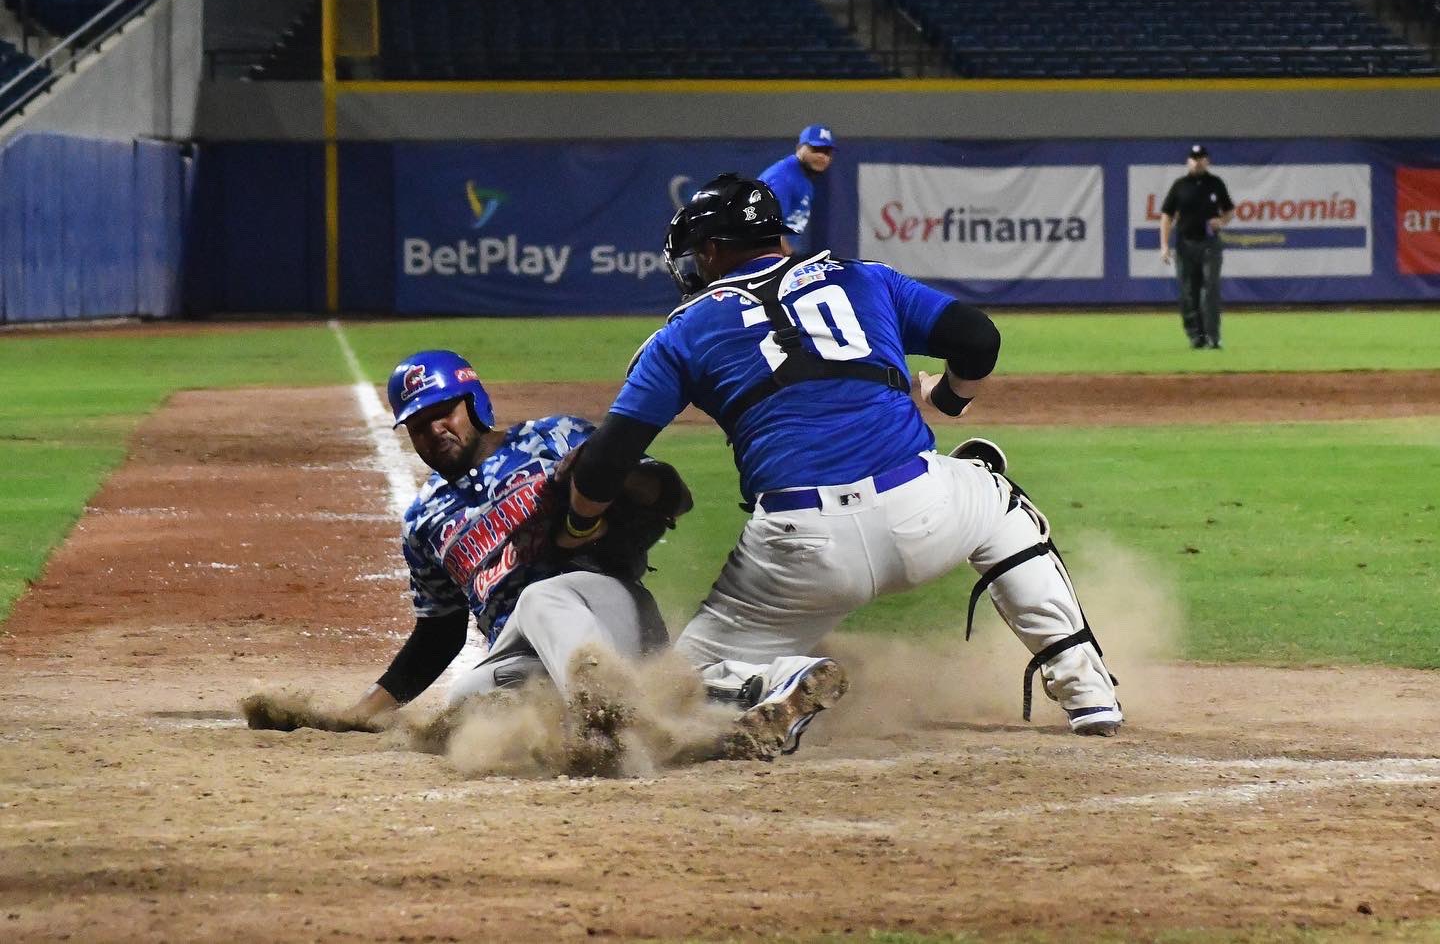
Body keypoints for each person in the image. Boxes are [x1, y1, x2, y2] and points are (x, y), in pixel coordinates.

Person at [558, 174, 1124, 757]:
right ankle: (1087, 690)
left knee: (673, 687)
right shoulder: (862, 277)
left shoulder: (681, 333)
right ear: (778, 237)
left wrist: (577, 526)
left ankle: (770, 681)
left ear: (707, 252)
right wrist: (950, 398)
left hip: (798, 549)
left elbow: (607, 461)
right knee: (996, 494)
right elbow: (978, 336)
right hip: (923, 512)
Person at [337, 349, 689, 731]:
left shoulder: (554, 437)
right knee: (466, 701)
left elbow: (674, 497)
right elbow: (439, 635)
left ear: (474, 404)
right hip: (524, 652)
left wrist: (605, 475)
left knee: (539, 598)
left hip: (605, 616)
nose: (434, 430)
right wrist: (358, 715)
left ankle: (614, 717)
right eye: (418, 425)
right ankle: (589, 721)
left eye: (443, 412)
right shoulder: (424, 522)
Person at [1159, 144, 1235, 349]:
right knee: (1188, 291)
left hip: (1210, 244)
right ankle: (1195, 336)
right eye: (1194, 158)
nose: (1197, 161)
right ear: (1188, 161)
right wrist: (1164, 245)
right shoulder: (1180, 185)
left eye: (1201, 157)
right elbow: (1166, 216)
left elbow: (1229, 210)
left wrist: (1222, 221)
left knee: (1210, 288)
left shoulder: (1215, 183)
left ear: (1207, 161)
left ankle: (1213, 336)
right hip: (1185, 244)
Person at [758, 123, 835, 256]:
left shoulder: (803, 178)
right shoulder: (783, 177)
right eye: (816, 149)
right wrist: (789, 259)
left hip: (773, 255)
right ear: (799, 148)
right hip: (759, 256)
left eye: (826, 152)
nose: (821, 156)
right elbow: (769, 227)